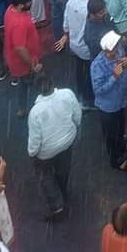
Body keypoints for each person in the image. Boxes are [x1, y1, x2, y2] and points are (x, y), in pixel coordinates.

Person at [26, 72, 82, 219]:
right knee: (63, 169)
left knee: (45, 176)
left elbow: (35, 140)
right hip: (67, 141)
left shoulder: (35, 112)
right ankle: (63, 190)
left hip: (46, 153)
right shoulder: (67, 94)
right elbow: (77, 115)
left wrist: (32, 154)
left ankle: (57, 206)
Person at [91, 30, 127, 172]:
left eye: (116, 48)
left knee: (120, 127)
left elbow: (126, 61)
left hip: (121, 100)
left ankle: (121, 145)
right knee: (111, 134)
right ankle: (116, 160)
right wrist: (113, 77)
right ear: (105, 50)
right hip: (108, 107)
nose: (115, 52)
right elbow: (98, 90)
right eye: (112, 50)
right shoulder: (97, 66)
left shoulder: (119, 50)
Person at [3, 0, 41, 118]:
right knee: (36, 83)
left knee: (22, 85)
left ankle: (22, 108)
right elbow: (20, 48)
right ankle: (40, 106)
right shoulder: (20, 23)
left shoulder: (10, 10)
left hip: (14, 60)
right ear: (20, 5)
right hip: (25, 63)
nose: (31, 4)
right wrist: (32, 65)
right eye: (29, 2)